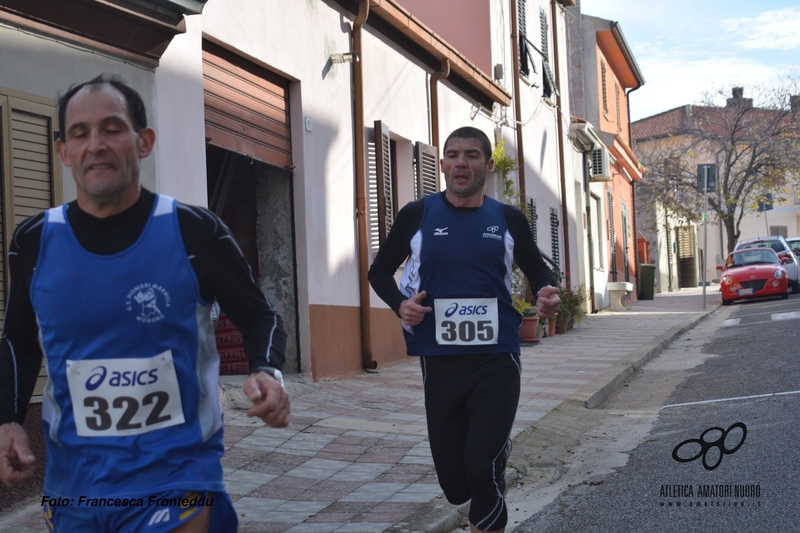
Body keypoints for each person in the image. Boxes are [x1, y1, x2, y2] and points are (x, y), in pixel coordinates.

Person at [0, 74, 290, 532]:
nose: (96, 144)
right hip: (76, 486)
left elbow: (261, 317)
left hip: (178, 477)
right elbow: (17, 339)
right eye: (80, 133)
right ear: (63, 151)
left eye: (112, 128)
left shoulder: (196, 232)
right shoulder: (33, 242)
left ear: (144, 141)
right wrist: (9, 420)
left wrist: (267, 370)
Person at [368, 126, 560, 533]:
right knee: (456, 485)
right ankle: (496, 450)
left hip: (498, 357)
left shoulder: (507, 219)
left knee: (481, 464)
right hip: (439, 361)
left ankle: (492, 465)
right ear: (441, 166)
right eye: (453, 155)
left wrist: (545, 290)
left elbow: (538, 266)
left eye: (472, 155)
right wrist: (400, 304)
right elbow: (379, 270)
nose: (461, 163)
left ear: (488, 166)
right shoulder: (417, 215)